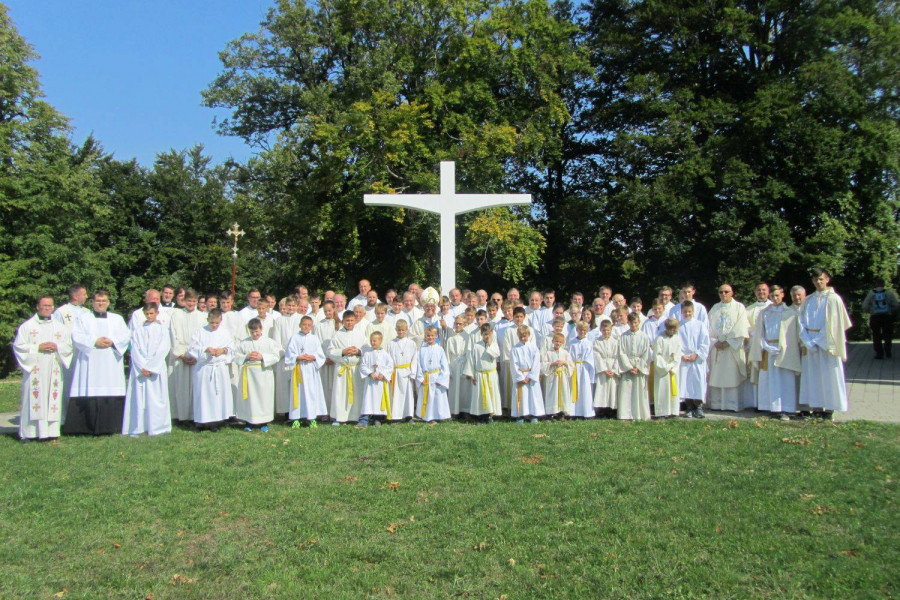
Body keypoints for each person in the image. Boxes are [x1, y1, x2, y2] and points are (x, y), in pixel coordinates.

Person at [63, 290, 131, 435]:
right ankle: (85, 427)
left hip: (110, 361)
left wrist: (112, 342)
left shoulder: (117, 319)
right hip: (90, 362)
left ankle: (112, 427)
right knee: (90, 388)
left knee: (110, 387)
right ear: (92, 302)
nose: (101, 303)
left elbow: (126, 336)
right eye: (98, 301)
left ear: (108, 303)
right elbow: (76, 336)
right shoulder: (83, 318)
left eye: (104, 301)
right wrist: (95, 341)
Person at [14, 295, 73, 441]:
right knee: (33, 398)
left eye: (50, 306)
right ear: (38, 307)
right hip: (35, 368)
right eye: (44, 305)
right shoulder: (27, 327)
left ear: (53, 308)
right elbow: (19, 347)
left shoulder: (61, 327)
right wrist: (37, 347)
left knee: (52, 398)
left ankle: (51, 433)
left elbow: (69, 346)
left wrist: (57, 346)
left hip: (54, 368)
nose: (47, 308)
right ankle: (29, 433)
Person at [799, 268, 852, 419]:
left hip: (827, 343)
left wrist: (817, 340)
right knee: (813, 376)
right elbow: (801, 321)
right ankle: (816, 407)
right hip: (810, 343)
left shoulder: (834, 299)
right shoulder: (808, 299)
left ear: (827, 279)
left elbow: (834, 324)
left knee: (829, 376)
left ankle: (829, 408)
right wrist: (807, 340)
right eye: (816, 280)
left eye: (821, 279)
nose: (818, 282)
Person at [749, 286, 801, 419]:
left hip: (785, 350)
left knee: (785, 379)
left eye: (777, 295)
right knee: (769, 379)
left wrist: (782, 346)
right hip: (768, 349)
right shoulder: (765, 312)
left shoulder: (790, 312)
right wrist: (765, 346)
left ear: (783, 295)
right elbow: (760, 332)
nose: (775, 298)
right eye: (772, 296)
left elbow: (792, 334)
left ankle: (787, 408)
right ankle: (771, 408)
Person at [122, 302, 171, 436]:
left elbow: (164, 348)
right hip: (141, 368)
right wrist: (142, 366)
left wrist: (152, 366)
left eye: (151, 313)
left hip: (156, 367)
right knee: (139, 398)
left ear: (157, 314)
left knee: (156, 398)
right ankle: (138, 426)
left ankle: (158, 426)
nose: (149, 316)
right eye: (147, 314)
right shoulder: (138, 330)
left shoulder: (163, 330)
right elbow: (135, 349)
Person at [187, 309, 235, 432]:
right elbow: (192, 348)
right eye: (212, 322)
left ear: (220, 321)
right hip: (204, 368)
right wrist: (206, 349)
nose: (214, 325)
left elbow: (231, 348)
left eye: (216, 323)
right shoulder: (200, 332)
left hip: (218, 368)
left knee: (215, 396)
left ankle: (214, 422)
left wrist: (222, 350)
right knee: (202, 395)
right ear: (208, 319)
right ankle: (200, 422)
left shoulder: (225, 333)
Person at [707, 284, 750, 412]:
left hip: (732, 347)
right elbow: (707, 327)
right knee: (717, 375)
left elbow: (741, 327)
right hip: (717, 347)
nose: (723, 294)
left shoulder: (739, 307)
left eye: (726, 291)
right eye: (721, 292)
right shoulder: (715, 308)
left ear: (732, 293)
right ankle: (717, 404)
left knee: (731, 376)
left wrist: (728, 342)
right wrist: (714, 342)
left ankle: (732, 405)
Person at [235, 318, 281, 431]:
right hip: (249, 373)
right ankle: (248, 421)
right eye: (252, 332)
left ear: (261, 329)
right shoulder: (244, 343)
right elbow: (236, 356)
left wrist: (263, 357)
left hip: (263, 373)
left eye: (256, 331)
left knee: (263, 397)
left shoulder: (269, 342)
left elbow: (276, 356)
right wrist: (246, 357)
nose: (255, 334)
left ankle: (263, 422)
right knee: (250, 398)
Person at [168, 288, 206, 423]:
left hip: (196, 356)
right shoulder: (176, 315)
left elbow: (204, 338)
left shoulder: (202, 316)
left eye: (194, 301)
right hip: (181, 355)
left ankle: (195, 415)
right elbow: (173, 336)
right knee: (181, 387)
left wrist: (196, 355)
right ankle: (181, 415)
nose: (191, 304)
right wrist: (181, 355)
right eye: (189, 301)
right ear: (184, 301)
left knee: (196, 386)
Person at [284, 315, 327, 427]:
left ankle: (312, 417)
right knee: (298, 393)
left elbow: (320, 355)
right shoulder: (294, 338)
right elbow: (289, 353)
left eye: (308, 325)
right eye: (304, 324)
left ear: (311, 327)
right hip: (299, 368)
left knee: (311, 393)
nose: (306, 327)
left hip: (311, 369)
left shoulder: (314, 338)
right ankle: (296, 418)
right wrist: (297, 357)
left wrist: (313, 357)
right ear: (300, 325)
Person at [328, 310, 367, 425]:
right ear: (343, 321)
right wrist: (342, 351)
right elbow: (330, 351)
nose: (349, 323)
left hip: (355, 369)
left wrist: (358, 351)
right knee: (341, 394)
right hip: (342, 369)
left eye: (351, 320)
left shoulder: (360, 334)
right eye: (347, 321)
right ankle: (340, 417)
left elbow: (366, 349)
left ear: (355, 321)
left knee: (356, 393)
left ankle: (355, 416)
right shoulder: (337, 335)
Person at [270, 295, 302, 418]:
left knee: (297, 384)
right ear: (285, 306)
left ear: (297, 306)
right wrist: (283, 352)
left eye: (293, 305)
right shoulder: (279, 320)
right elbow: (276, 339)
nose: (291, 308)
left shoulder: (300, 319)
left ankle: (297, 411)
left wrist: (296, 354)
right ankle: (286, 412)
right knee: (284, 385)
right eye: (289, 305)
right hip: (284, 357)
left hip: (298, 358)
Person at [743, 282, 773, 409]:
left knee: (769, 375)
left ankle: (769, 403)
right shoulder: (749, 309)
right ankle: (755, 403)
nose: (761, 292)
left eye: (764, 290)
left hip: (770, 347)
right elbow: (745, 327)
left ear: (768, 292)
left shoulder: (774, 307)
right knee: (755, 374)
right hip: (753, 346)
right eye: (759, 290)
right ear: (755, 292)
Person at [616, 312, 651, 421]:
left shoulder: (644, 336)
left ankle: (640, 414)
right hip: (628, 367)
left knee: (639, 392)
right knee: (626, 391)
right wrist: (629, 367)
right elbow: (621, 352)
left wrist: (638, 367)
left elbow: (646, 353)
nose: (633, 325)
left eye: (635, 322)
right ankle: (625, 414)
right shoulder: (624, 336)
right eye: (631, 322)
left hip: (639, 367)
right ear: (628, 322)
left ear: (639, 322)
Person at [679, 301, 710, 419]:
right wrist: (682, 355)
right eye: (685, 312)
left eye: (689, 311)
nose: (687, 313)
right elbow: (676, 343)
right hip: (684, 359)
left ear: (693, 312)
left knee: (698, 382)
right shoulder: (679, 326)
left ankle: (699, 407)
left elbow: (705, 342)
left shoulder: (700, 325)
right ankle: (689, 407)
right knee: (685, 383)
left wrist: (697, 354)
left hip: (697, 359)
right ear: (681, 312)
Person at [357, 331, 394, 426]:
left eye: (375, 341)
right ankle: (364, 420)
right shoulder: (367, 353)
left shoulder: (385, 354)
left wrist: (383, 374)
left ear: (380, 341)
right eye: (371, 341)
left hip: (380, 383)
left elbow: (390, 366)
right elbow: (362, 366)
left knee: (378, 400)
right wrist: (370, 373)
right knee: (367, 400)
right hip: (370, 382)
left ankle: (377, 419)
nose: (373, 343)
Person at [510, 326, 545, 424]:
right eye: (520, 336)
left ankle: (534, 415)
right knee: (521, 396)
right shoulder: (514, 349)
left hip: (530, 374)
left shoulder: (533, 348)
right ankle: (520, 415)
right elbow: (513, 364)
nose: (522, 338)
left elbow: (536, 363)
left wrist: (530, 376)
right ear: (517, 335)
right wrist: (520, 377)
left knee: (533, 396)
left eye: (524, 336)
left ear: (529, 335)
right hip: (521, 374)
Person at [415, 325, 451, 422]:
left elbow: (445, 366)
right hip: (426, 377)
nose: (430, 337)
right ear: (425, 336)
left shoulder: (440, 349)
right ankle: (428, 416)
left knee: (438, 397)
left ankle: (440, 415)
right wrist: (420, 378)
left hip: (437, 377)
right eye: (428, 336)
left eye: (432, 335)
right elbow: (418, 365)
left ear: (436, 336)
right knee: (428, 398)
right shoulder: (421, 350)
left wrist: (441, 379)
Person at [388, 320, 418, 421]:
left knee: (408, 395)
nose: (401, 332)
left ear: (406, 330)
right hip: (395, 372)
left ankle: (408, 415)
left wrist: (412, 372)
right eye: (399, 330)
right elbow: (389, 359)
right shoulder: (391, 343)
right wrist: (390, 372)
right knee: (396, 395)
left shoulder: (411, 343)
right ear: (396, 330)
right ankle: (395, 415)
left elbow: (414, 359)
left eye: (403, 330)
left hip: (407, 372)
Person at [652, 319, 682, 418]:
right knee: (662, 390)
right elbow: (657, 355)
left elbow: (678, 355)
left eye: (675, 329)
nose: (673, 332)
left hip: (673, 370)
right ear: (667, 328)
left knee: (673, 390)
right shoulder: (660, 338)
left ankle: (673, 411)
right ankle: (662, 412)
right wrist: (666, 366)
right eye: (671, 329)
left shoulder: (677, 338)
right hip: (663, 370)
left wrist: (673, 366)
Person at [862, 279, 899, 359]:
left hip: (875, 316)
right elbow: (896, 305)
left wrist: (870, 311)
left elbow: (864, 306)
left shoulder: (871, 293)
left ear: (876, 284)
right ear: (883, 284)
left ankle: (879, 353)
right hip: (887, 316)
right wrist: (891, 311)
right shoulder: (889, 293)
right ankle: (888, 351)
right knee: (888, 334)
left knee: (876, 335)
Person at [541, 332, 574, 420]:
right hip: (553, 376)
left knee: (562, 393)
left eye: (560, 342)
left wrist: (564, 363)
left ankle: (561, 413)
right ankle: (550, 413)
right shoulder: (549, 353)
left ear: (563, 343)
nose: (558, 343)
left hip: (562, 377)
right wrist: (552, 364)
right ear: (553, 341)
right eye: (556, 341)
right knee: (552, 394)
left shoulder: (565, 353)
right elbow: (544, 364)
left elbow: (571, 364)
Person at [568, 321, 595, 418]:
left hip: (584, 368)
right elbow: (569, 356)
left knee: (585, 389)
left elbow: (591, 358)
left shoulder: (588, 343)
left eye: (584, 330)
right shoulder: (572, 342)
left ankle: (586, 412)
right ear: (577, 330)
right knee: (574, 388)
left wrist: (589, 371)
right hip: (574, 367)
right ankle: (573, 412)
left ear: (587, 331)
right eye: (580, 330)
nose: (582, 332)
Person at [592, 320, 619, 418]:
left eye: (608, 330)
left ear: (611, 329)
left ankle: (612, 410)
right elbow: (597, 355)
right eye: (604, 330)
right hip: (603, 368)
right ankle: (602, 410)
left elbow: (618, 356)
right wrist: (604, 369)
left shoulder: (616, 341)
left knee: (612, 389)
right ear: (600, 330)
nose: (606, 332)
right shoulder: (597, 341)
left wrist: (614, 370)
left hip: (612, 367)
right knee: (602, 389)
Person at [315, 301, 339, 405]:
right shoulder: (319, 325)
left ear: (334, 309)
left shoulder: (339, 324)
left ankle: (333, 411)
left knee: (335, 385)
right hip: (324, 360)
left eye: (329, 310)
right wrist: (324, 357)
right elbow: (317, 343)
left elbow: (339, 343)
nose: (328, 313)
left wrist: (334, 357)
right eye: (325, 311)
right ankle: (324, 411)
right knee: (324, 385)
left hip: (336, 360)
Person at [445, 316, 469, 417]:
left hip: (464, 363)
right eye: (456, 323)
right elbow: (447, 355)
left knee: (464, 388)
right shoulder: (451, 338)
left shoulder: (467, 337)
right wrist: (449, 369)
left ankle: (464, 410)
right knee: (454, 388)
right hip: (454, 364)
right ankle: (454, 410)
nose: (458, 325)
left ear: (464, 325)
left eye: (460, 324)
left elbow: (469, 353)